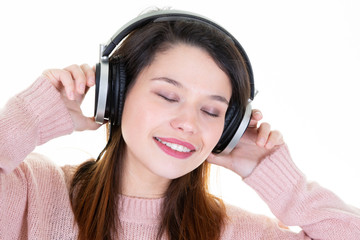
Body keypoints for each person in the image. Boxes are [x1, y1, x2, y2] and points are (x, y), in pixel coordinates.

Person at [1, 9, 359, 240]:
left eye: (212, 111)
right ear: (117, 95)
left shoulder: (235, 232)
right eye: (169, 96)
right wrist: (32, 117)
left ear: (229, 129)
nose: (189, 123)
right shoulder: (33, 193)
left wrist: (283, 182)